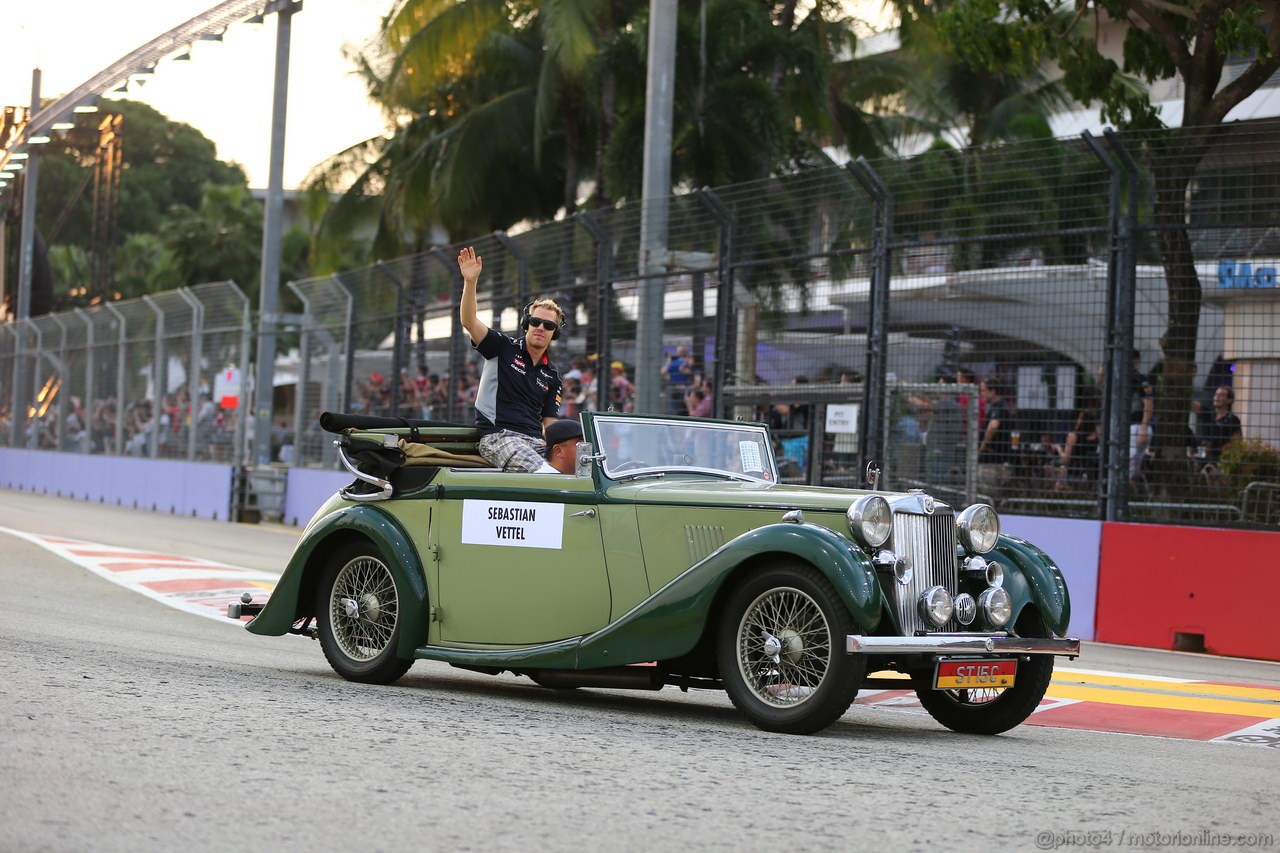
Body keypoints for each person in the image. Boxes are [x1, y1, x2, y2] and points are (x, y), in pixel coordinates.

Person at [458, 245, 565, 472]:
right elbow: (469, 321)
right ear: (527, 324)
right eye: (535, 322)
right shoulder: (502, 347)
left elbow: (550, 424)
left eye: (548, 325)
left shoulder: (552, 376)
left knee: (577, 472)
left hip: (536, 443)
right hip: (499, 437)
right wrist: (470, 282)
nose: (540, 328)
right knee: (545, 473)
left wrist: (564, 448)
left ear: (554, 333)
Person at [977, 377, 1013, 499]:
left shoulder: (999, 408)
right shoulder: (995, 408)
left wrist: (982, 446)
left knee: (989, 496)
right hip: (992, 460)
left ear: (993, 391)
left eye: (984, 391)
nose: (982, 394)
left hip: (993, 461)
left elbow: (993, 426)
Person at [1197, 385, 1242, 466]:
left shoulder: (1233, 420)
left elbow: (1237, 443)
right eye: (1216, 394)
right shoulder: (1208, 414)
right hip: (1202, 459)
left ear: (1229, 401)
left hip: (1220, 463)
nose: (1217, 397)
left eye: (1221, 395)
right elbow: (1189, 402)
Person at [1127, 350, 1154, 481]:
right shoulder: (1117, 378)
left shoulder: (1141, 380)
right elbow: (1099, 381)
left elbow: (1148, 402)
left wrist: (1143, 428)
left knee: (1131, 467)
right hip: (1124, 426)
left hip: (1136, 426)